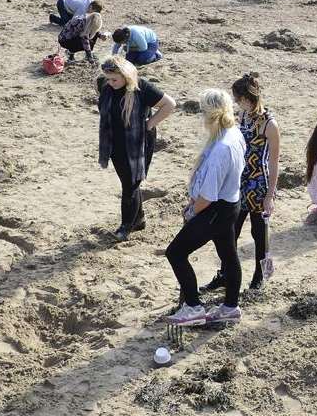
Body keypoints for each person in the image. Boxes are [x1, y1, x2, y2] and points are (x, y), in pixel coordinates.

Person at [165, 89, 246, 327]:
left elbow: (207, 197)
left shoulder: (221, 148)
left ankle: (193, 308)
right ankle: (230, 307)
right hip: (231, 204)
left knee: (176, 253)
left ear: (209, 114)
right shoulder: (234, 133)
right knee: (228, 255)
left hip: (215, 209)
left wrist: (192, 211)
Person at [201, 74, 280, 294]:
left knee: (259, 233)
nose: (235, 103)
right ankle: (225, 275)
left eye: (238, 98)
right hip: (238, 182)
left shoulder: (269, 124)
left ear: (247, 98)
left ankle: (260, 275)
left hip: (258, 184)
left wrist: (270, 195)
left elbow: (274, 162)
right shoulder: (242, 115)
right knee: (229, 232)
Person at [97, 56, 176, 241]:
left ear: (126, 76)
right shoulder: (105, 85)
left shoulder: (142, 88)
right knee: (129, 181)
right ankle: (138, 219)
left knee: (130, 184)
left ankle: (126, 226)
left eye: (114, 79)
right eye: (108, 79)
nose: (110, 83)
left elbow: (169, 104)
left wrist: (149, 124)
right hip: (115, 142)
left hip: (137, 143)